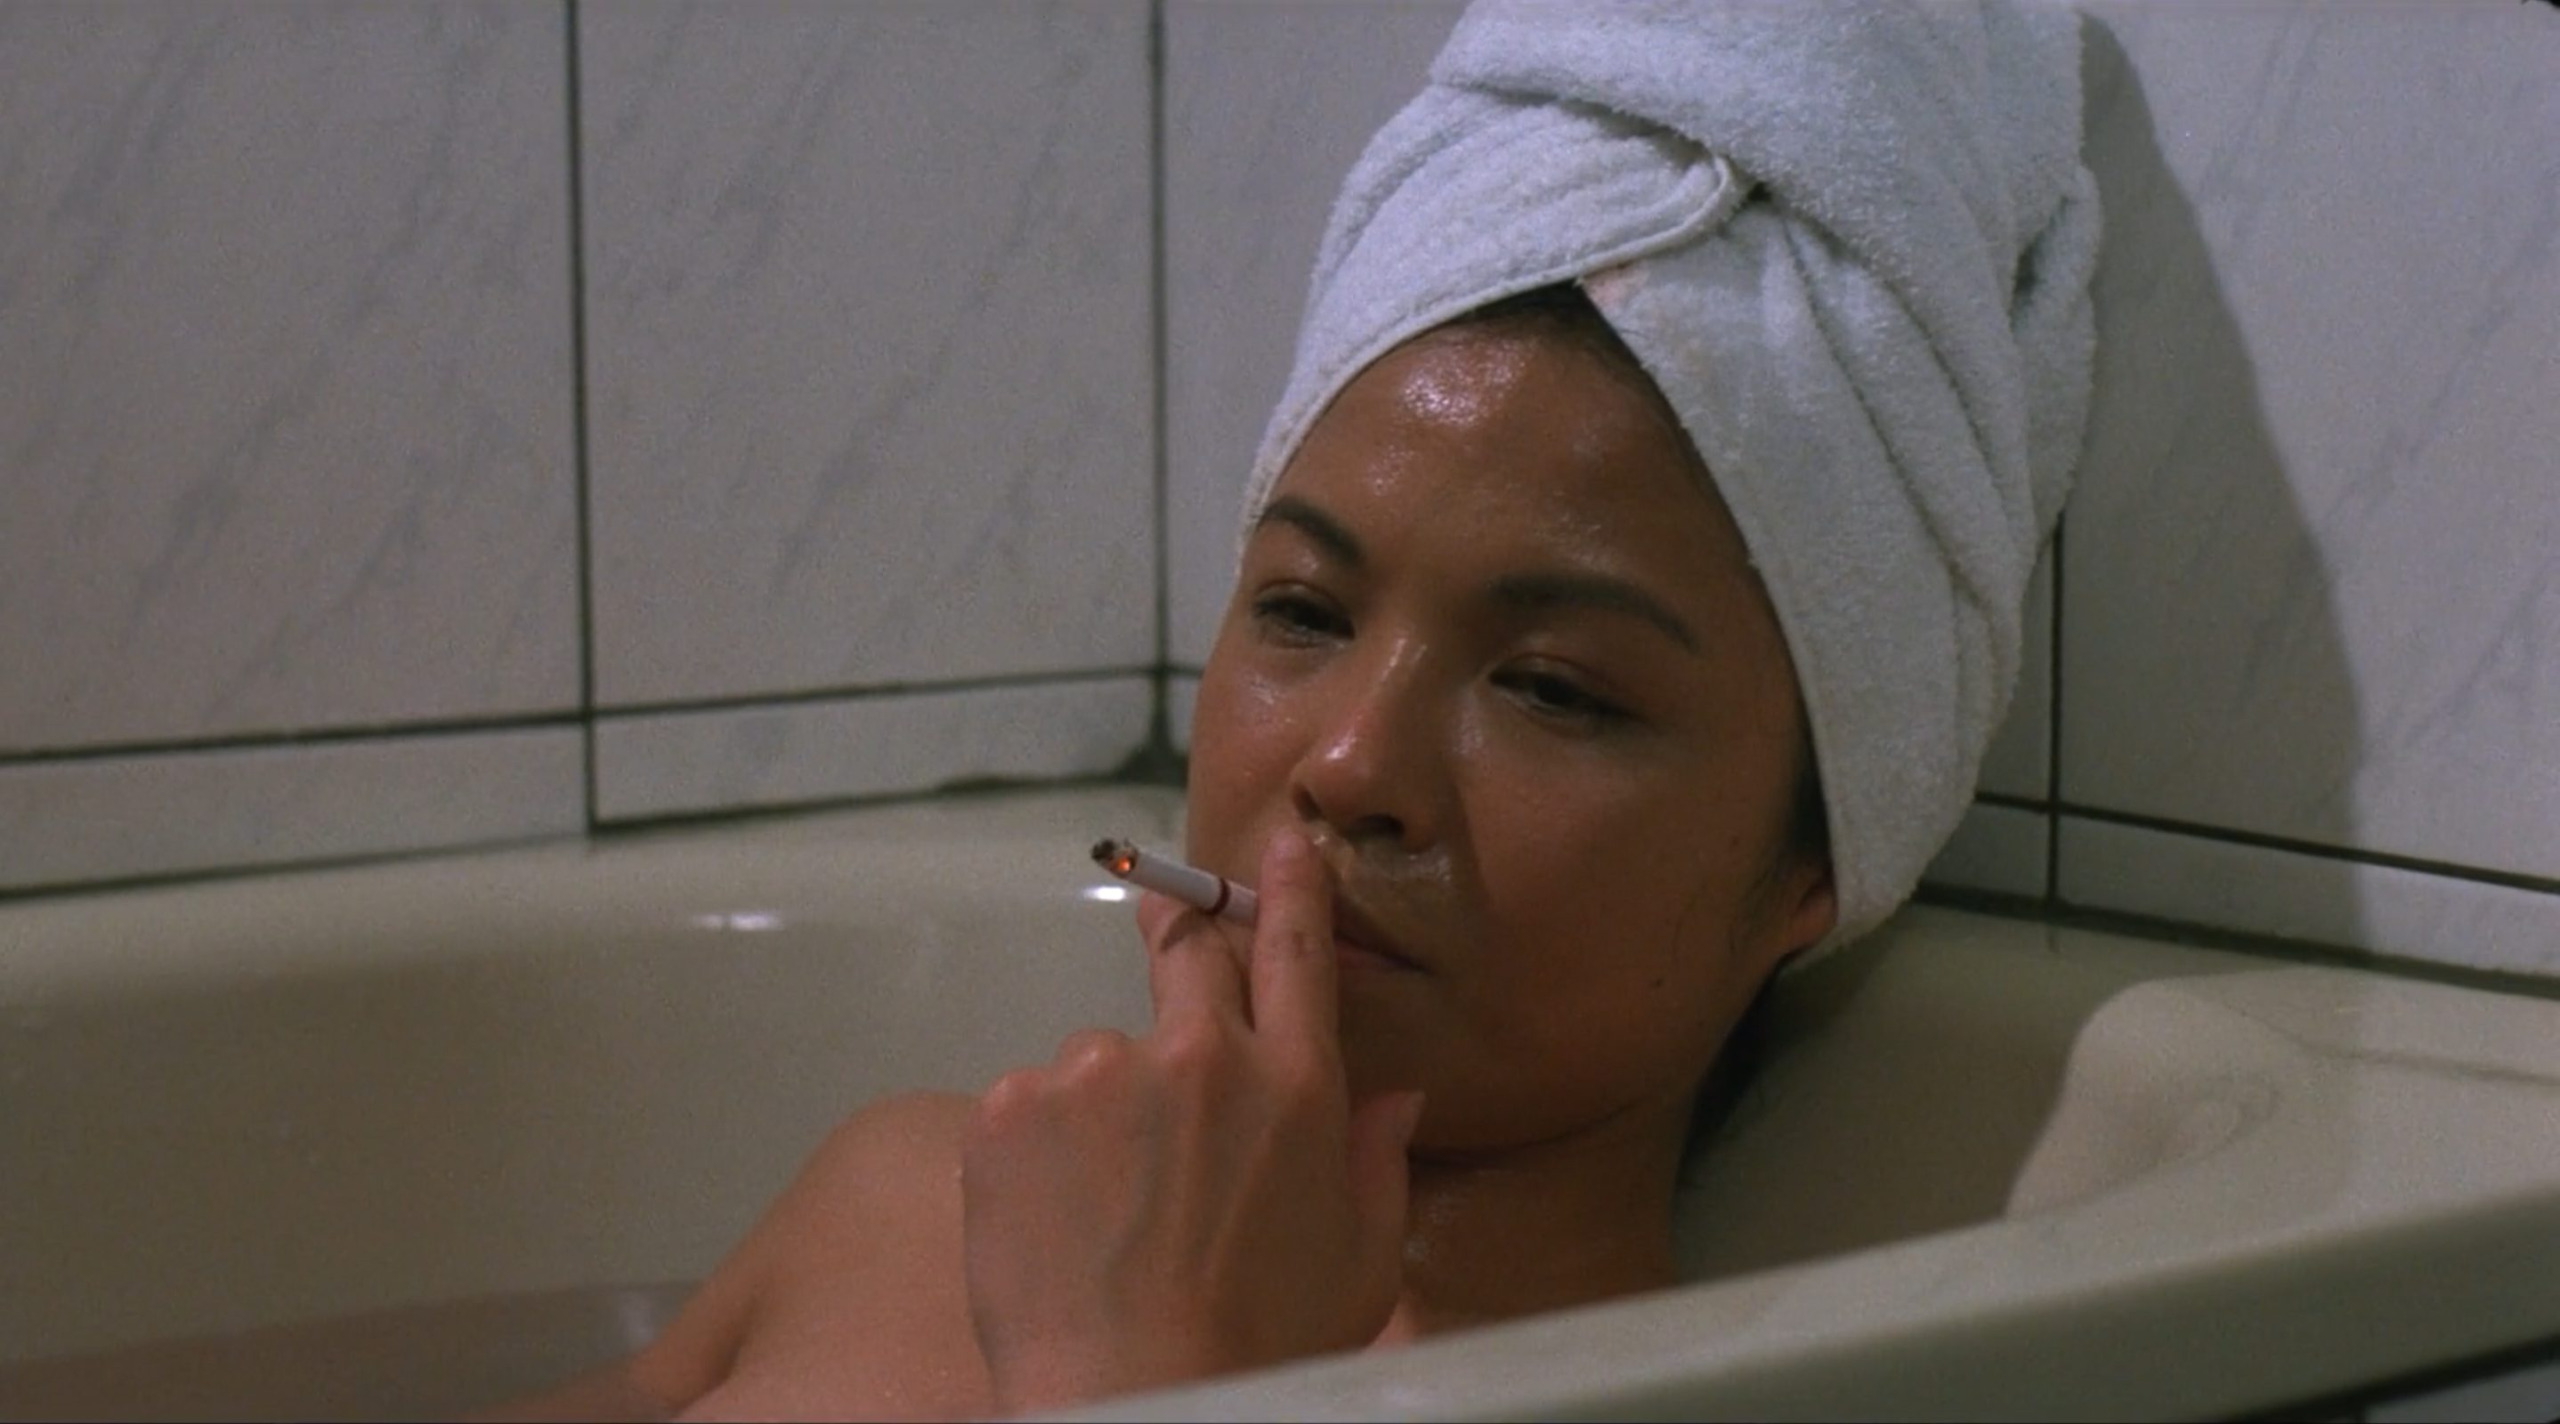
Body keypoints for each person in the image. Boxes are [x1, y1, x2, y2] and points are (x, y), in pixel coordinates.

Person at [488, 0, 2097, 1416]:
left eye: (1551, 687)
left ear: (1817, 865)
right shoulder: (914, 1198)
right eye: (1304, 613)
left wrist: (1141, 1385)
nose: (1348, 763)